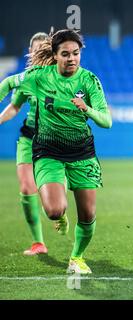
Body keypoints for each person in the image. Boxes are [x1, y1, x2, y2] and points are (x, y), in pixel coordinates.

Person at [0, 29, 112, 274]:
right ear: (55, 55)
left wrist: (87, 110)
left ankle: (77, 258)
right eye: (65, 54)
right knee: (54, 210)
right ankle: (52, 224)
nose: (72, 58)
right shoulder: (39, 76)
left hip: (82, 153)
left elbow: (106, 121)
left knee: (88, 214)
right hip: (48, 150)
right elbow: (9, 83)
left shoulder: (89, 80)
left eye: (76, 53)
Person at [0, 32, 50, 256]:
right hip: (28, 139)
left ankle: (59, 215)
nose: (40, 55)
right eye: (36, 51)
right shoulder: (25, 80)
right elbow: (14, 107)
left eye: (44, 50)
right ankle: (38, 243)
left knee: (52, 203)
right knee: (26, 188)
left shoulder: (61, 78)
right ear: (30, 53)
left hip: (52, 142)